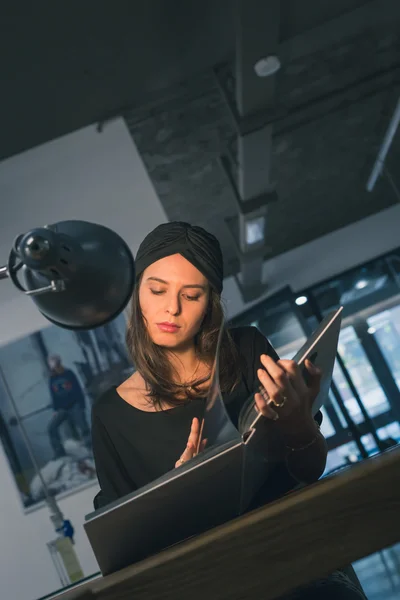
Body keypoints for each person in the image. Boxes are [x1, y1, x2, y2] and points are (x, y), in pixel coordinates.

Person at [91, 222, 367, 599]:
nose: (171, 308)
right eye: (157, 290)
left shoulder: (248, 348)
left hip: (302, 563)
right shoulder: (112, 416)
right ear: (138, 290)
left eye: (191, 295)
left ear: (210, 304)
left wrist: (299, 423)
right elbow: (123, 554)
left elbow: (309, 470)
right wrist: (183, 492)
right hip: (213, 585)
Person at [47, 355, 91, 459]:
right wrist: (55, 410)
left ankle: (91, 450)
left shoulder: (68, 373)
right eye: (52, 365)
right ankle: (59, 452)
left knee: (83, 427)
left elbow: (78, 389)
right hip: (62, 409)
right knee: (51, 428)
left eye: (55, 363)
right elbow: (53, 395)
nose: (54, 367)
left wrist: (81, 405)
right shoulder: (52, 379)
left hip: (75, 405)